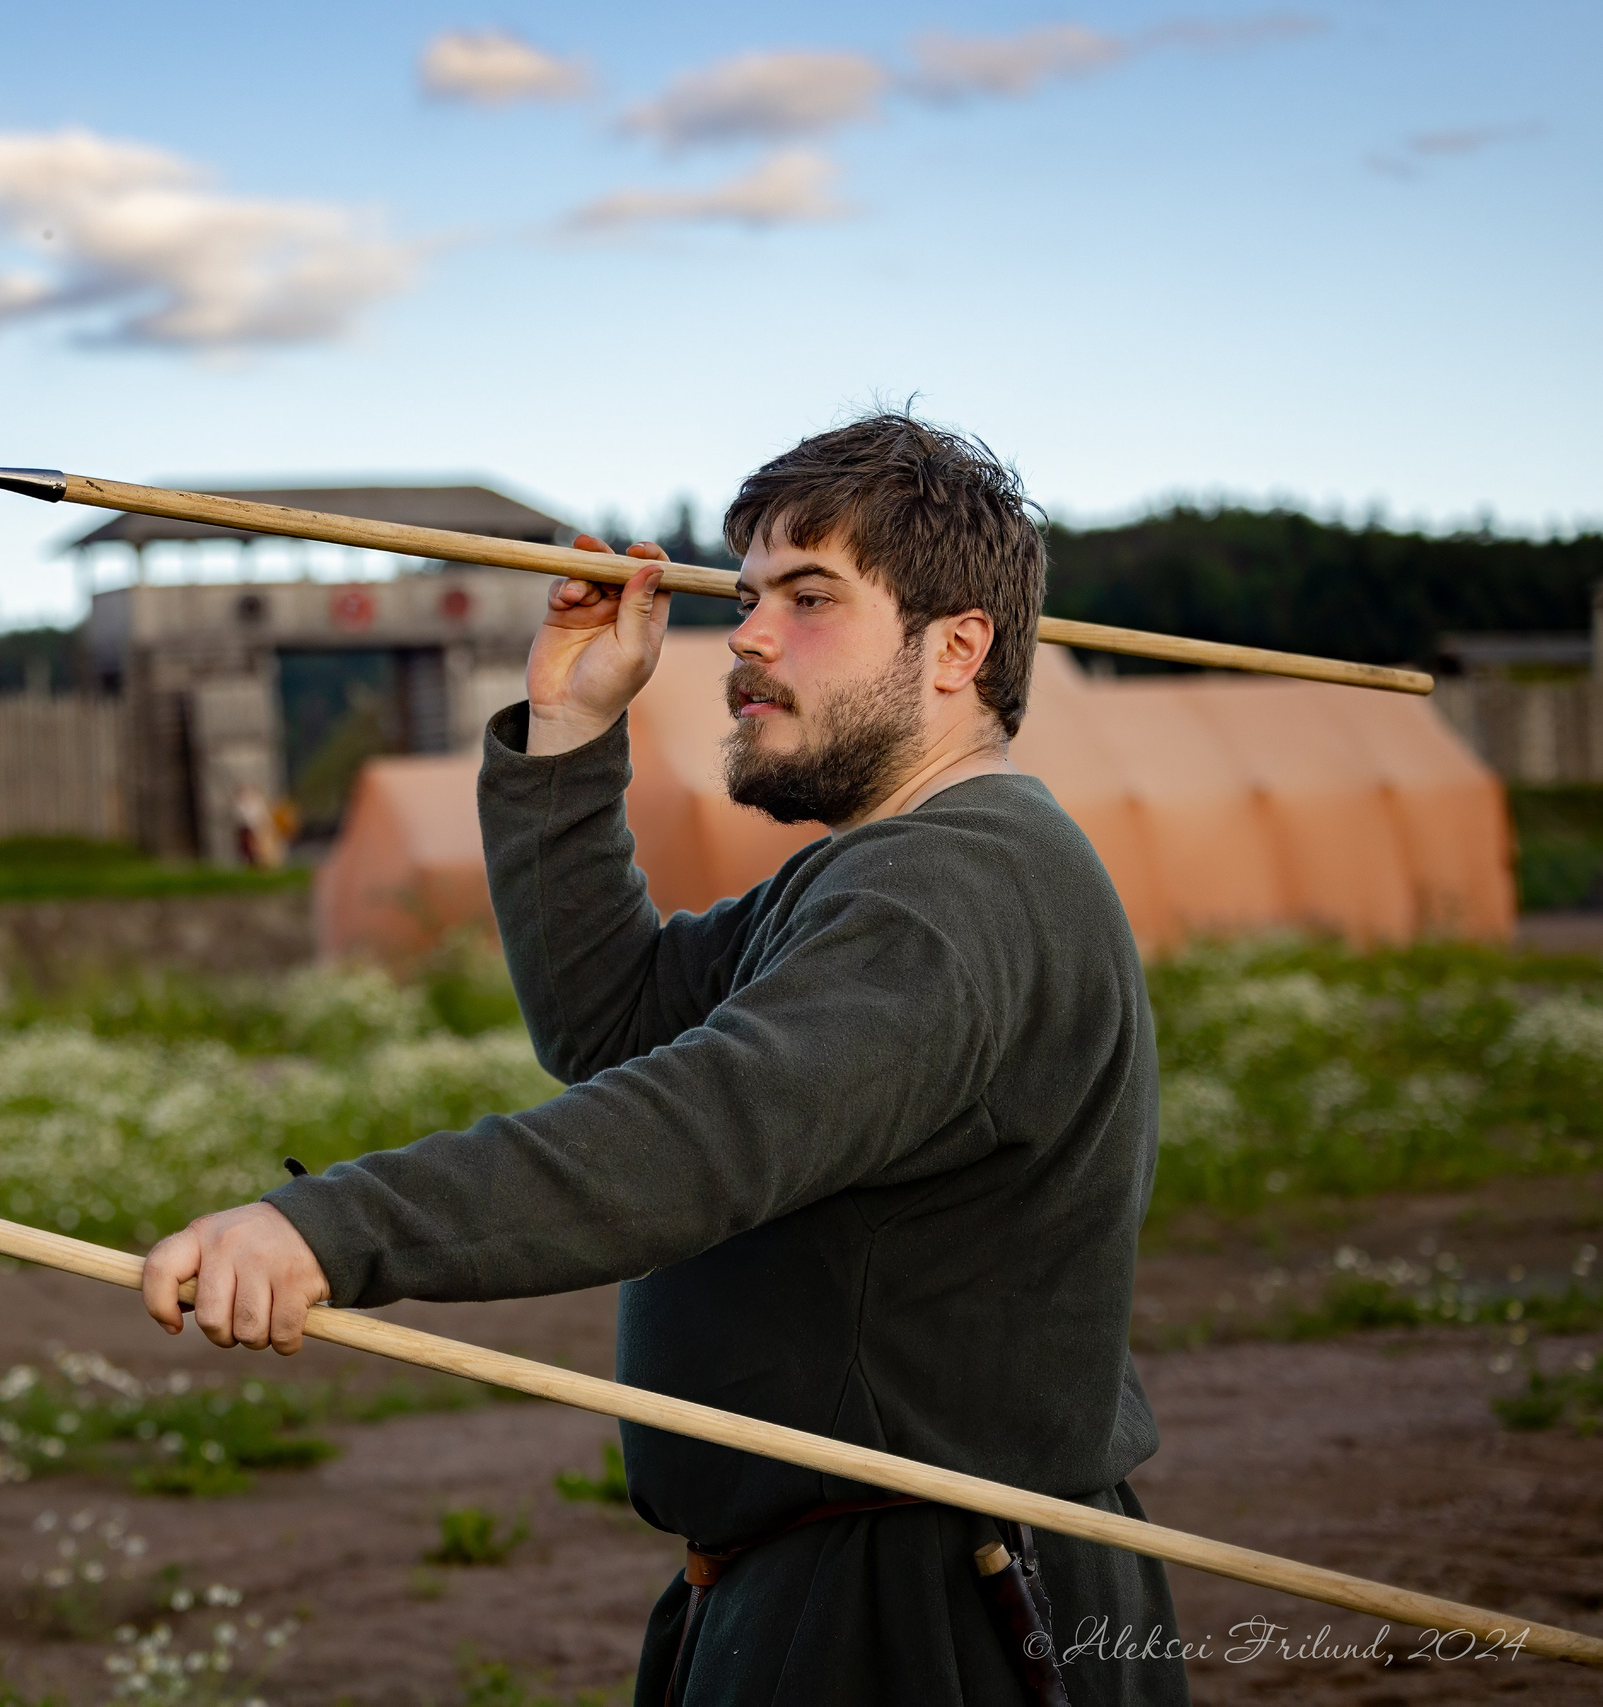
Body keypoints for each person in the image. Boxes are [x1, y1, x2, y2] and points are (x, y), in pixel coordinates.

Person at [141, 413, 1189, 1706]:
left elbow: (694, 1134)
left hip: (931, 1610)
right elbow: (617, 1021)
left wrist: (333, 1229)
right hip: (845, 1576)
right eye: (746, 597)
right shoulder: (882, 872)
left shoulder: (952, 894)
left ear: (957, 648)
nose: (748, 635)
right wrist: (570, 727)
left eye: (811, 598)